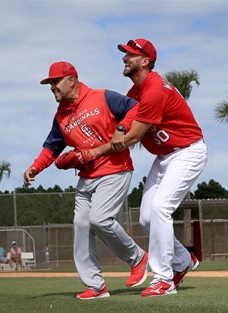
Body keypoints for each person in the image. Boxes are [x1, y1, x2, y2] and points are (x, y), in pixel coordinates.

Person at [90, 38, 207, 297]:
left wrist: (99, 149)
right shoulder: (135, 93)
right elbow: (124, 123)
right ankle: (184, 261)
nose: (124, 58)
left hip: (188, 151)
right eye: (125, 54)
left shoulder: (155, 88)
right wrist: (115, 131)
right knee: (146, 219)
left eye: (130, 55)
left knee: (160, 208)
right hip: (165, 157)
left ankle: (164, 279)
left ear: (145, 61)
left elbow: (132, 137)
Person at [23, 61, 148, 300]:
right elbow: (51, 147)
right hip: (86, 178)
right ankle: (95, 285)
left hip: (115, 169)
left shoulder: (102, 97)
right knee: (81, 227)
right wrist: (35, 167)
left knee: (100, 219)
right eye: (50, 83)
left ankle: (138, 258)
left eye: (55, 82)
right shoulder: (60, 116)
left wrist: (121, 127)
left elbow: (136, 108)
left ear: (72, 80)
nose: (52, 87)